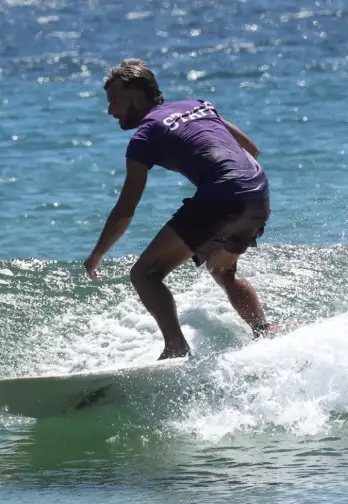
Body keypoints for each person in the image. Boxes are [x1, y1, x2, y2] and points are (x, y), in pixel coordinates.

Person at [84, 58, 272, 360]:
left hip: (223, 196)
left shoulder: (144, 136)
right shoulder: (198, 105)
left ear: (135, 96)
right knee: (223, 270)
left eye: (115, 101)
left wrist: (97, 254)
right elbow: (251, 149)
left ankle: (175, 347)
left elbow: (126, 208)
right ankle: (263, 331)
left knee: (145, 274)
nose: (111, 111)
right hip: (257, 192)